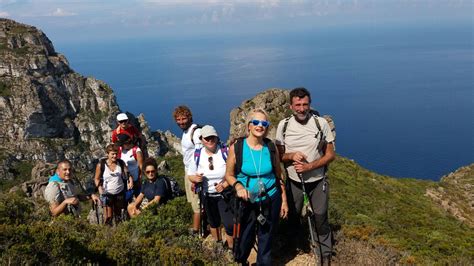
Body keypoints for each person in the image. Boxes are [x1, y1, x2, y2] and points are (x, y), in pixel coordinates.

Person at [275, 87, 335, 263]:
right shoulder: (283, 125)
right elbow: (279, 155)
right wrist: (292, 155)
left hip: (317, 181)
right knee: (292, 216)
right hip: (294, 181)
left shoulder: (320, 123)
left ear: (310, 104)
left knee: (321, 217)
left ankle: (325, 256)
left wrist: (310, 166)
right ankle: (294, 247)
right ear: (291, 106)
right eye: (298, 105)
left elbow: (330, 155)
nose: (302, 109)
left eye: (305, 104)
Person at [225, 108, 288, 265]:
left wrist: (284, 199)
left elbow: (278, 175)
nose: (260, 126)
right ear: (249, 126)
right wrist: (238, 187)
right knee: (245, 237)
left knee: (266, 239)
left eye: (264, 123)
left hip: (270, 198)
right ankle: (241, 260)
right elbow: (229, 175)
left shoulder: (271, 148)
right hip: (247, 200)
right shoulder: (237, 148)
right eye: (256, 122)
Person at [188, 125, 234, 248]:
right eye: (207, 138)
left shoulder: (226, 152)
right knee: (213, 222)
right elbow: (190, 175)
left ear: (217, 137)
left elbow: (235, 172)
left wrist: (225, 184)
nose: (210, 141)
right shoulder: (197, 155)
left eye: (212, 137)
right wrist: (196, 179)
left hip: (225, 195)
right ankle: (218, 243)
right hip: (207, 195)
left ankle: (231, 248)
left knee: (229, 224)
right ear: (201, 139)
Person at [173, 105, 202, 235]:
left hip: (194, 173)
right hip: (187, 171)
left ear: (189, 117)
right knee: (192, 201)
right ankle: (199, 228)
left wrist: (195, 178)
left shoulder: (195, 132)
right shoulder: (186, 132)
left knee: (197, 203)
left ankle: (196, 231)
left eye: (183, 119)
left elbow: (200, 153)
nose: (181, 122)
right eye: (178, 120)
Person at [94, 144, 133, 225]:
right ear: (107, 154)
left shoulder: (121, 163)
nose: (115, 156)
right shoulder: (101, 165)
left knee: (118, 215)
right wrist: (99, 188)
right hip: (107, 194)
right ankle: (107, 233)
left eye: (116, 153)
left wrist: (130, 180)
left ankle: (119, 232)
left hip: (119, 193)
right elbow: (96, 178)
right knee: (108, 216)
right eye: (112, 154)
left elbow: (128, 173)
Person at [116, 133, 144, 198]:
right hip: (124, 180)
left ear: (127, 142)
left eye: (122, 144)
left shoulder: (136, 151)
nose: (121, 146)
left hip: (136, 180)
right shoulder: (120, 150)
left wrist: (139, 179)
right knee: (126, 199)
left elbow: (141, 166)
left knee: (138, 197)